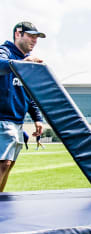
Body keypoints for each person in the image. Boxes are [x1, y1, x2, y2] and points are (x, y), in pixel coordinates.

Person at [0, 21, 45, 192]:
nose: (34, 40)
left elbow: (28, 91)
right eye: (31, 36)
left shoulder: (23, 60)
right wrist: (23, 63)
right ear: (18, 33)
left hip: (17, 122)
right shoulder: (5, 51)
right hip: (2, 119)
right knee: (4, 163)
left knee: (8, 166)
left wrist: (37, 118)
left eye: (37, 37)